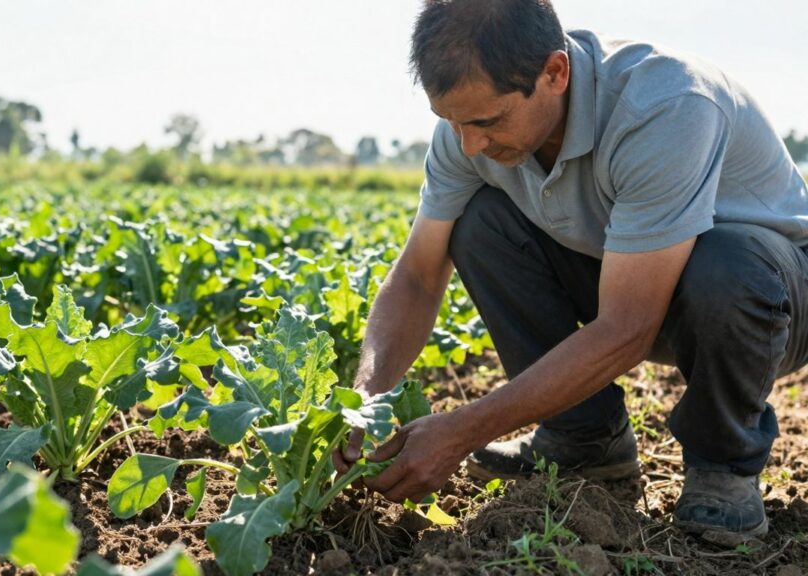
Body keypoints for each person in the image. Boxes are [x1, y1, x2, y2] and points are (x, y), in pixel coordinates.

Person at [333, 0, 808, 540]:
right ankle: (585, 438)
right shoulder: (469, 131)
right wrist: (363, 404)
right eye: (453, 122)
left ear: (555, 73)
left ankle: (723, 466)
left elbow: (627, 329)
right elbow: (417, 277)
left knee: (726, 265)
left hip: (770, 302)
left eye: (487, 121)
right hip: (632, 277)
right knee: (479, 223)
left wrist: (461, 430)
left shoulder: (667, 104)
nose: (471, 145)